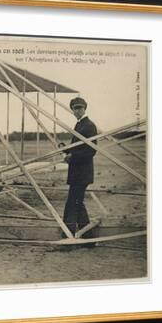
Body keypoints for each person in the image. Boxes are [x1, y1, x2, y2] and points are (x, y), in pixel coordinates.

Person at [63, 97, 98, 234]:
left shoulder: (89, 125)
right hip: (76, 172)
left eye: (80, 108)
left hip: (82, 172)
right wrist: (66, 150)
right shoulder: (79, 125)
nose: (77, 111)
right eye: (75, 108)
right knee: (77, 202)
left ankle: (68, 232)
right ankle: (87, 235)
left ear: (84, 109)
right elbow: (77, 147)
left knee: (73, 202)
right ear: (72, 110)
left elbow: (91, 150)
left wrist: (72, 156)